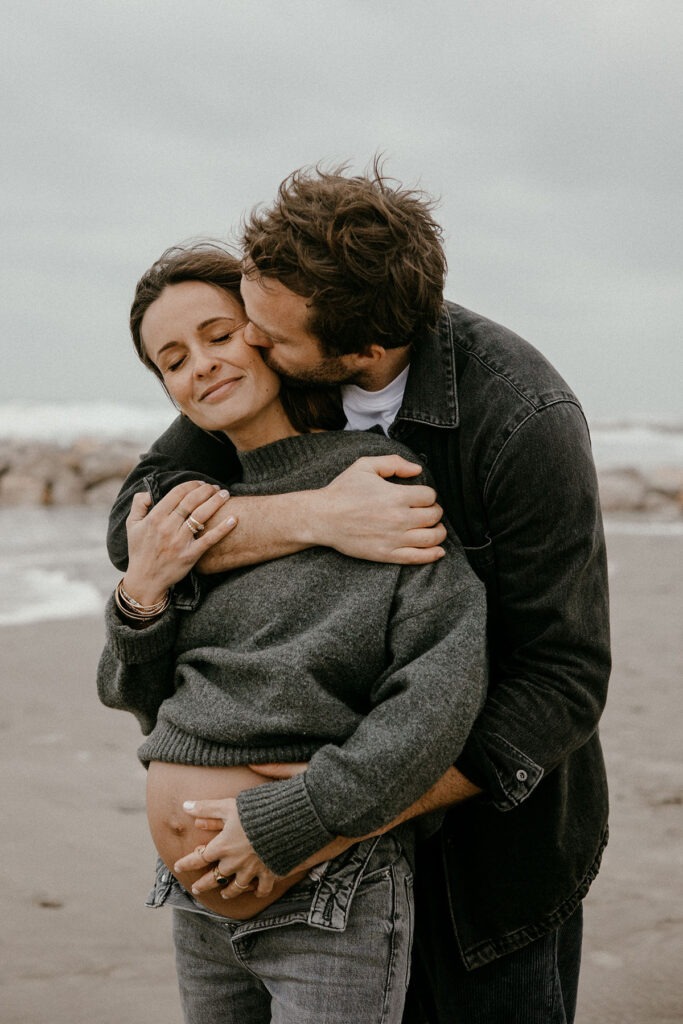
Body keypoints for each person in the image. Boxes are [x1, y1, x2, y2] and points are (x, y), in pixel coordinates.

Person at [108, 165, 611, 1024]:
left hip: (483, 859)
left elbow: (559, 679)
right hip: (248, 880)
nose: (243, 343)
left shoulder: (521, 421)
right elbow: (137, 533)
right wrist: (313, 515)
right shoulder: (267, 361)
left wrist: (327, 815)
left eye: (260, 333)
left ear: (358, 354)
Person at [98, 244, 488, 1024]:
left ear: (267, 334)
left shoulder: (379, 484)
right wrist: (141, 595)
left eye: (218, 335)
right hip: (194, 898)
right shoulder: (197, 515)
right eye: (173, 361)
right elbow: (134, 693)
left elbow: (440, 692)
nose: (201, 365)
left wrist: (301, 815)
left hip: (324, 889)